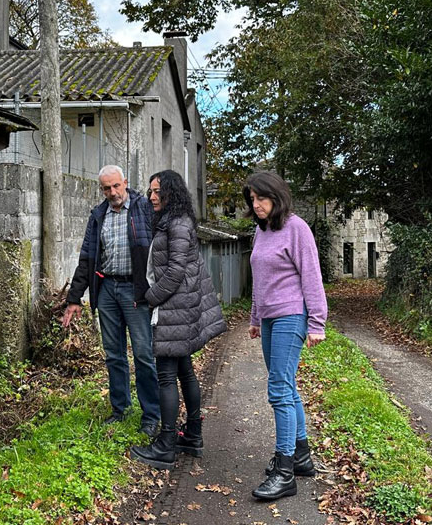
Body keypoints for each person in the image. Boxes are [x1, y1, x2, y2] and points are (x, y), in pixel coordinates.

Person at [130, 170, 226, 470]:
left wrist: (149, 297)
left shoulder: (178, 223)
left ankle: (166, 444)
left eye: (158, 190)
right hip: (179, 308)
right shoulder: (175, 221)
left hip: (174, 309)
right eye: (150, 191)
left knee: (167, 376)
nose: (152, 196)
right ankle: (192, 435)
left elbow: (175, 272)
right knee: (185, 371)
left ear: (172, 191)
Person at [244, 171, 328, 501]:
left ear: (276, 197)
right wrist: (254, 317)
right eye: (251, 199)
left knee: (278, 389)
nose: (256, 204)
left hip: (292, 316)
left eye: (260, 198)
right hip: (268, 319)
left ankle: (285, 470)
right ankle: (302, 455)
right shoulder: (260, 231)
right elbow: (259, 278)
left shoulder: (296, 228)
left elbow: (312, 277)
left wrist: (317, 323)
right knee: (286, 386)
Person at [63, 165, 161, 436]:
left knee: (142, 354)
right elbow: (86, 258)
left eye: (116, 186)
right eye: (106, 188)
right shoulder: (98, 215)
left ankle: (151, 415)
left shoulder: (143, 208)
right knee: (114, 355)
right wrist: (74, 298)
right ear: (101, 189)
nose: (113, 192)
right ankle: (121, 410)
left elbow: (162, 248)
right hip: (106, 288)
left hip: (136, 291)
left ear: (125, 183)